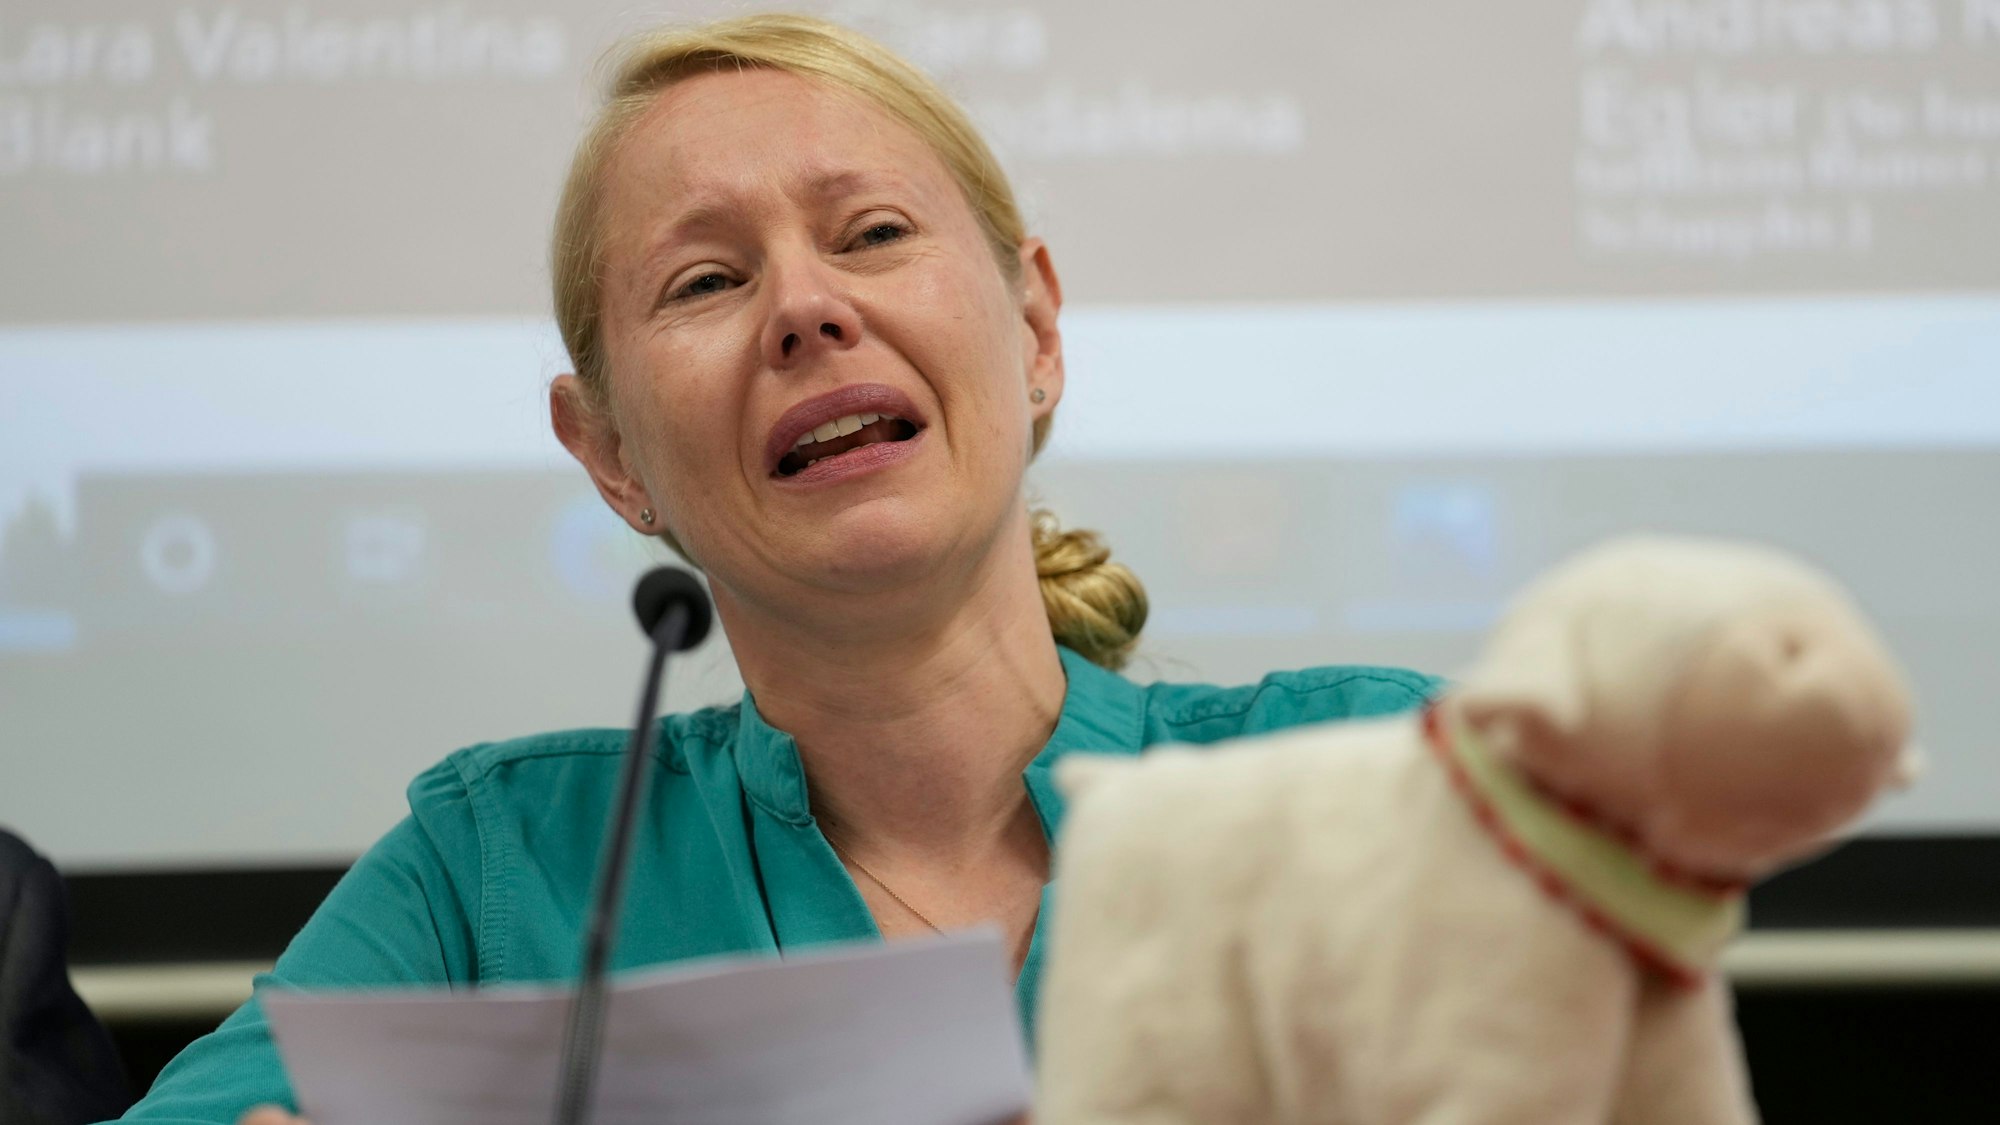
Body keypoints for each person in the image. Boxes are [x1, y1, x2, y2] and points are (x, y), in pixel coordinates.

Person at [115, 14, 1439, 1123]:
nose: (807, 308)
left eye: (873, 233)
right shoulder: (495, 874)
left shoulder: (1378, 776)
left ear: (1035, 328)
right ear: (610, 453)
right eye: (704, 282)